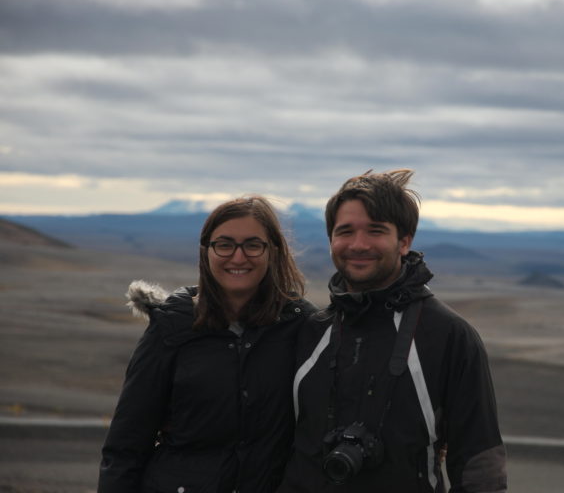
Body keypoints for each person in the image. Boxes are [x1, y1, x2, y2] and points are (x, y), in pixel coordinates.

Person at [279, 170, 507, 492]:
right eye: (345, 231)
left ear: (404, 242)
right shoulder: (310, 332)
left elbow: (480, 469)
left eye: (375, 231)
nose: (358, 244)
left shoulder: (448, 337)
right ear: (331, 239)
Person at [99, 196, 316, 493]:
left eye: (253, 245)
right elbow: (126, 445)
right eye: (224, 244)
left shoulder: (301, 326)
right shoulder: (172, 327)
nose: (238, 258)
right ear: (206, 251)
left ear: (273, 251)